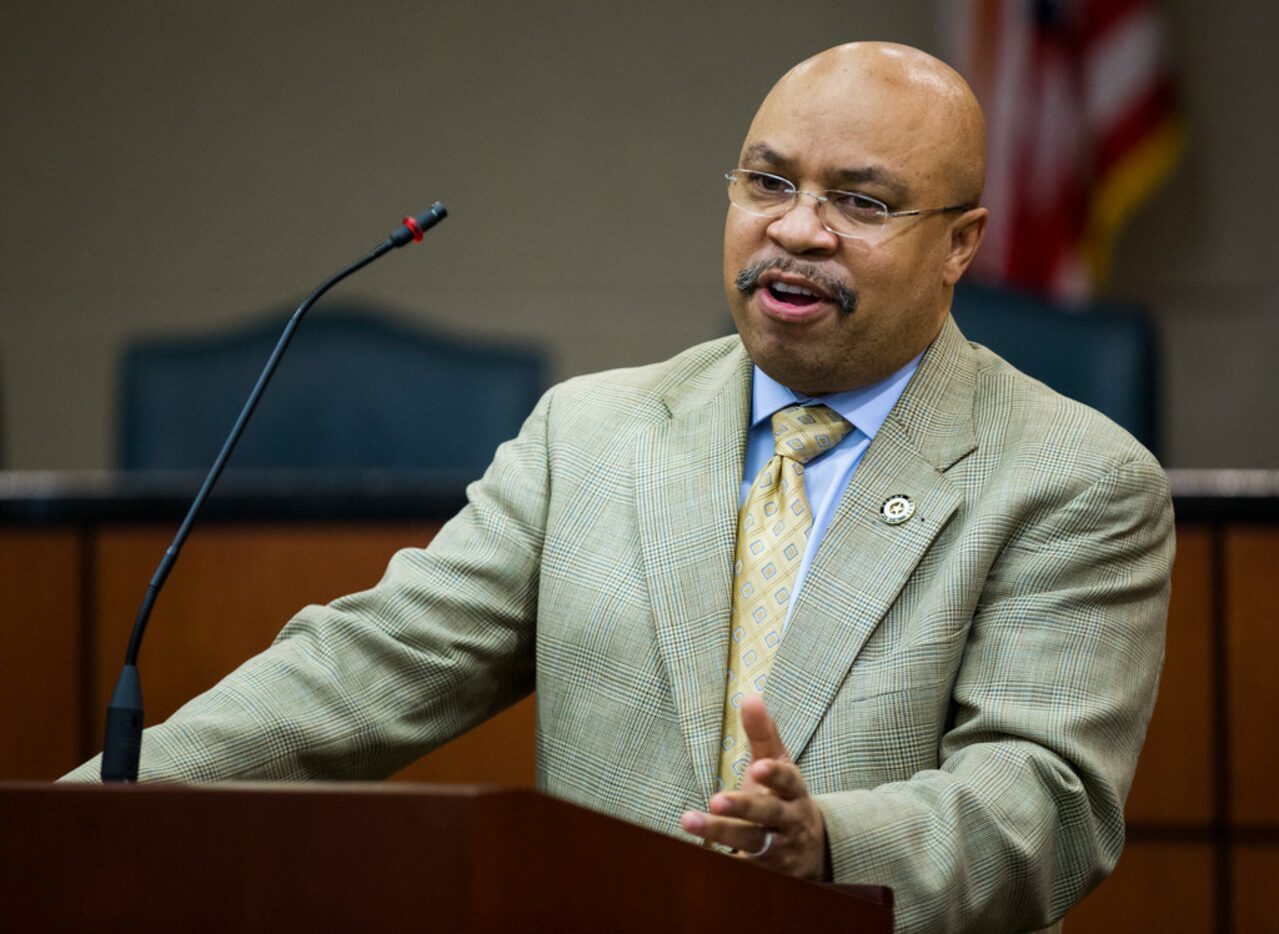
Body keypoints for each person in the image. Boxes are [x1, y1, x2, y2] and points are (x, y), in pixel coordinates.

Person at [65, 42, 1173, 933]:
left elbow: (1046, 805)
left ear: (962, 243)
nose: (795, 228)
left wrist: (828, 840)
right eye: (768, 182)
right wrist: (87, 820)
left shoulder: (1072, 478)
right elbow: (364, 669)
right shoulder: (588, 433)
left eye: (862, 202)